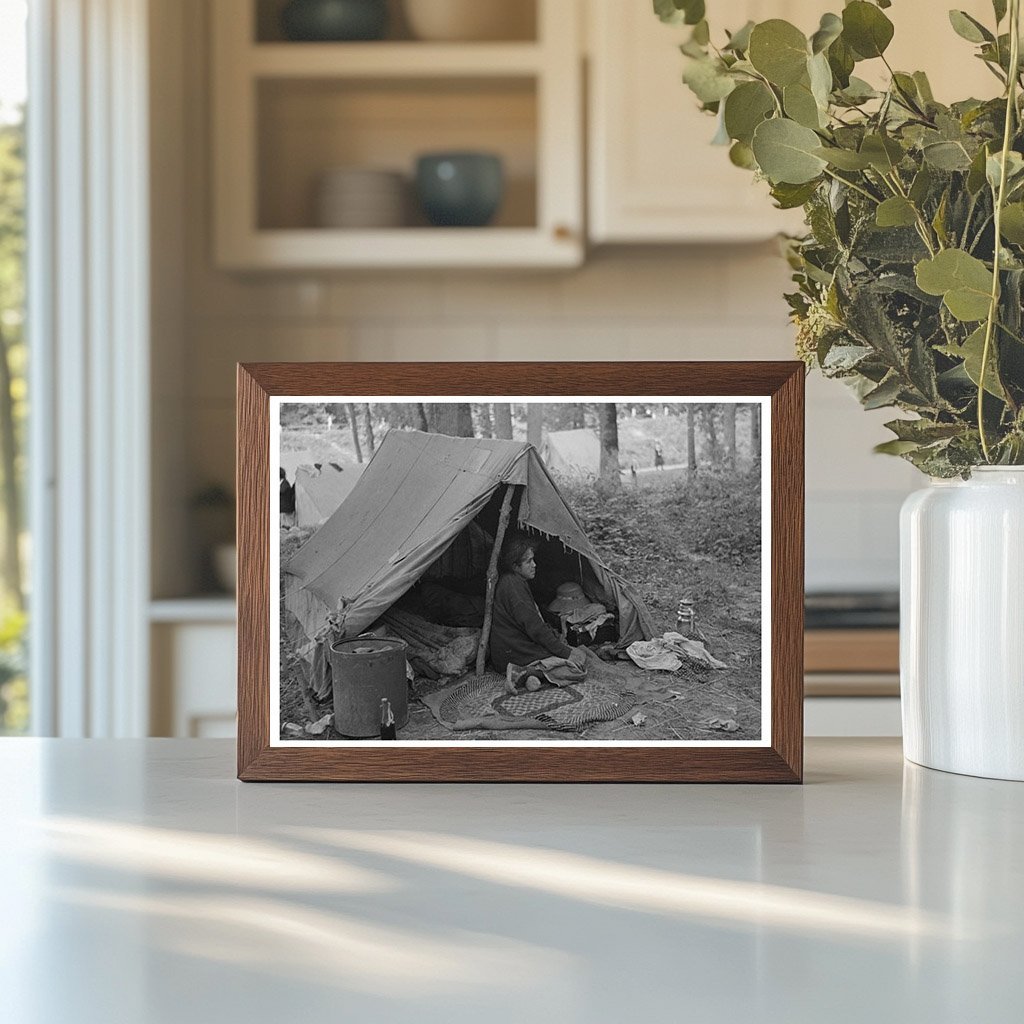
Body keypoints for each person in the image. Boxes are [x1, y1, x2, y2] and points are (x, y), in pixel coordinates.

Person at [489, 533, 588, 694]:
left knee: (573, 655)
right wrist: (566, 652)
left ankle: (529, 677)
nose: (534, 565)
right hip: (514, 651)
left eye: (533, 560)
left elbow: (534, 621)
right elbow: (535, 628)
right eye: (528, 561)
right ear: (515, 566)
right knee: (576, 668)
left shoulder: (514, 581)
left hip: (511, 650)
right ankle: (522, 672)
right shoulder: (513, 587)